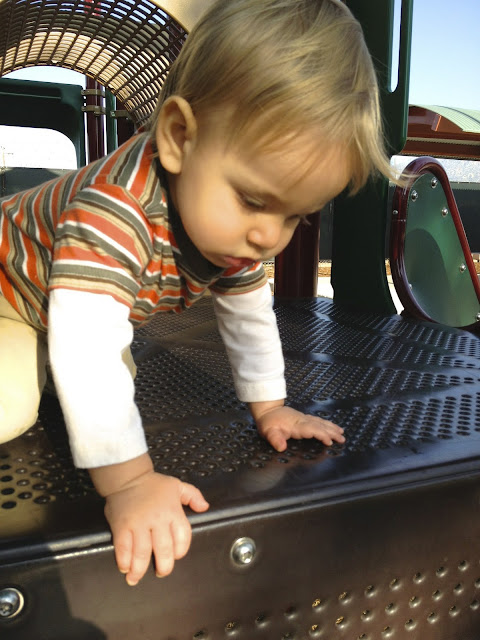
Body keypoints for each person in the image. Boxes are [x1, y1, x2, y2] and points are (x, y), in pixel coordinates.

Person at [0, 0, 396, 586]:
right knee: (13, 407)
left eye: (296, 216)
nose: (269, 237)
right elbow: (85, 346)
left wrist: (271, 406)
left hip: (66, 303)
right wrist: (130, 483)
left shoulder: (234, 233)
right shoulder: (115, 212)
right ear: (179, 137)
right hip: (10, 292)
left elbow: (249, 311)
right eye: (255, 201)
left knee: (109, 387)